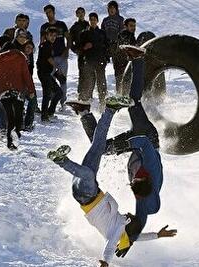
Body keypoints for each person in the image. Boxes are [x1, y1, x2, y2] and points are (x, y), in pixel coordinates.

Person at [47, 102, 176, 266]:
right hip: (94, 190)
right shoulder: (122, 223)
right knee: (99, 146)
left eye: (130, 218)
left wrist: (106, 262)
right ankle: (98, 111)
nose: (128, 214)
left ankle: (62, 160)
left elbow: (111, 245)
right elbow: (139, 237)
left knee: (98, 157)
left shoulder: (118, 230)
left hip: (88, 195)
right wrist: (158, 235)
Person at [66, 46, 164, 256]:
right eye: (136, 181)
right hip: (146, 138)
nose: (126, 216)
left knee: (100, 147)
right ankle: (138, 59)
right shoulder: (152, 171)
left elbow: (139, 225)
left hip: (133, 144)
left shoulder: (140, 204)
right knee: (133, 104)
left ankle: (84, 112)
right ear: (145, 180)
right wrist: (129, 144)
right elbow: (146, 145)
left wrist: (128, 240)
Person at [0, 48, 35, 150]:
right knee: (18, 114)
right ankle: (16, 133)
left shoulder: (0, 60)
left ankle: (9, 140)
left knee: (8, 115)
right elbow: (27, 76)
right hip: (18, 91)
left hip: (3, 92)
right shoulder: (21, 59)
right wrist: (31, 90)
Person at [40, 4, 71, 110]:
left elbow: (68, 38)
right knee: (50, 80)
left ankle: (63, 103)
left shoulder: (61, 24)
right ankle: (53, 101)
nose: (48, 14)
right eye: (46, 13)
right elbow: (42, 42)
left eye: (50, 12)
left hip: (61, 56)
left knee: (62, 79)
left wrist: (67, 51)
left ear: (54, 12)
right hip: (50, 58)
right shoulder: (44, 27)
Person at [78, 12, 109, 111]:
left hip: (100, 61)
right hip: (89, 61)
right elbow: (79, 48)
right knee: (88, 83)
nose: (93, 21)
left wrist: (106, 59)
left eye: (94, 19)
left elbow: (107, 47)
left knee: (102, 84)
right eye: (91, 20)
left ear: (97, 21)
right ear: (89, 21)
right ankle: (85, 105)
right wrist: (84, 47)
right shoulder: (84, 33)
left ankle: (102, 104)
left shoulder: (102, 33)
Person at [37, 27, 63, 122]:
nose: (53, 37)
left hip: (47, 73)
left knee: (58, 92)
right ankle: (44, 116)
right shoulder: (45, 45)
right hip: (43, 73)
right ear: (46, 36)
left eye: (54, 36)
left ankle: (49, 112)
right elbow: (48, 58)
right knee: (47, 94)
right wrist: (57, 68)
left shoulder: (49, 45)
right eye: (51, 35)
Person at [69, 7, 89, 97]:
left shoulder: (88, 24)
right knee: (82, 72)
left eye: (82, 12)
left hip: (89, 53)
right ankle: (81, 93)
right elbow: (70, 41)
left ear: (84, 14)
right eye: (79, 13)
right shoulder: (74, 27)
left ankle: (89, 93)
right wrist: (75, 50)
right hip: (81, 52)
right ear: (76, 14)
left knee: (90, 72)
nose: (81, 14)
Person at [114, 18, 137, 93]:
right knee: (122, 83)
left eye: (134, 26)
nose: (133, 28)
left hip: (125, 63)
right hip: (121, 63)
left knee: (125, 83)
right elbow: (125, 47)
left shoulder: (131, 35)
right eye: (131, 26)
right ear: (126, 26)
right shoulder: (124, 34)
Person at [22, 40, 37, 131]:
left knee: (33, 101)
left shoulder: (30, 58)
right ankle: (21, 123)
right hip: (19, 83)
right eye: (27, 47)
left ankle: (28, 124)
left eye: (31, 48)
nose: (29, 49)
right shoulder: (20, 56)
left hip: (27, 83)